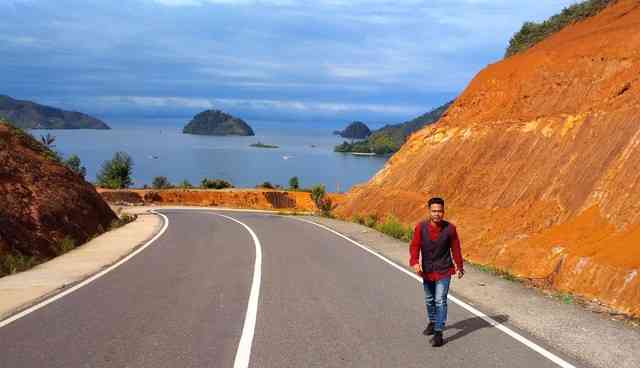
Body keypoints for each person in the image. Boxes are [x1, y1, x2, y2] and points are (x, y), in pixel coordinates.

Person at [409, 197, 464, 347]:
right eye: (434, 211)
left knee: (440, 300)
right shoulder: (421, 227)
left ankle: (439, 332)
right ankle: (433, 322)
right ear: (429, 211)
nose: (437, 214)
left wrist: (459, 266)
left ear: (443, 212)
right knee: (429, 299)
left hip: (444, 269)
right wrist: (414, 262)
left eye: (440, 211)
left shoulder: (450, 229)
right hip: (427, 270)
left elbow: (456, 248)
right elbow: (414, 246)